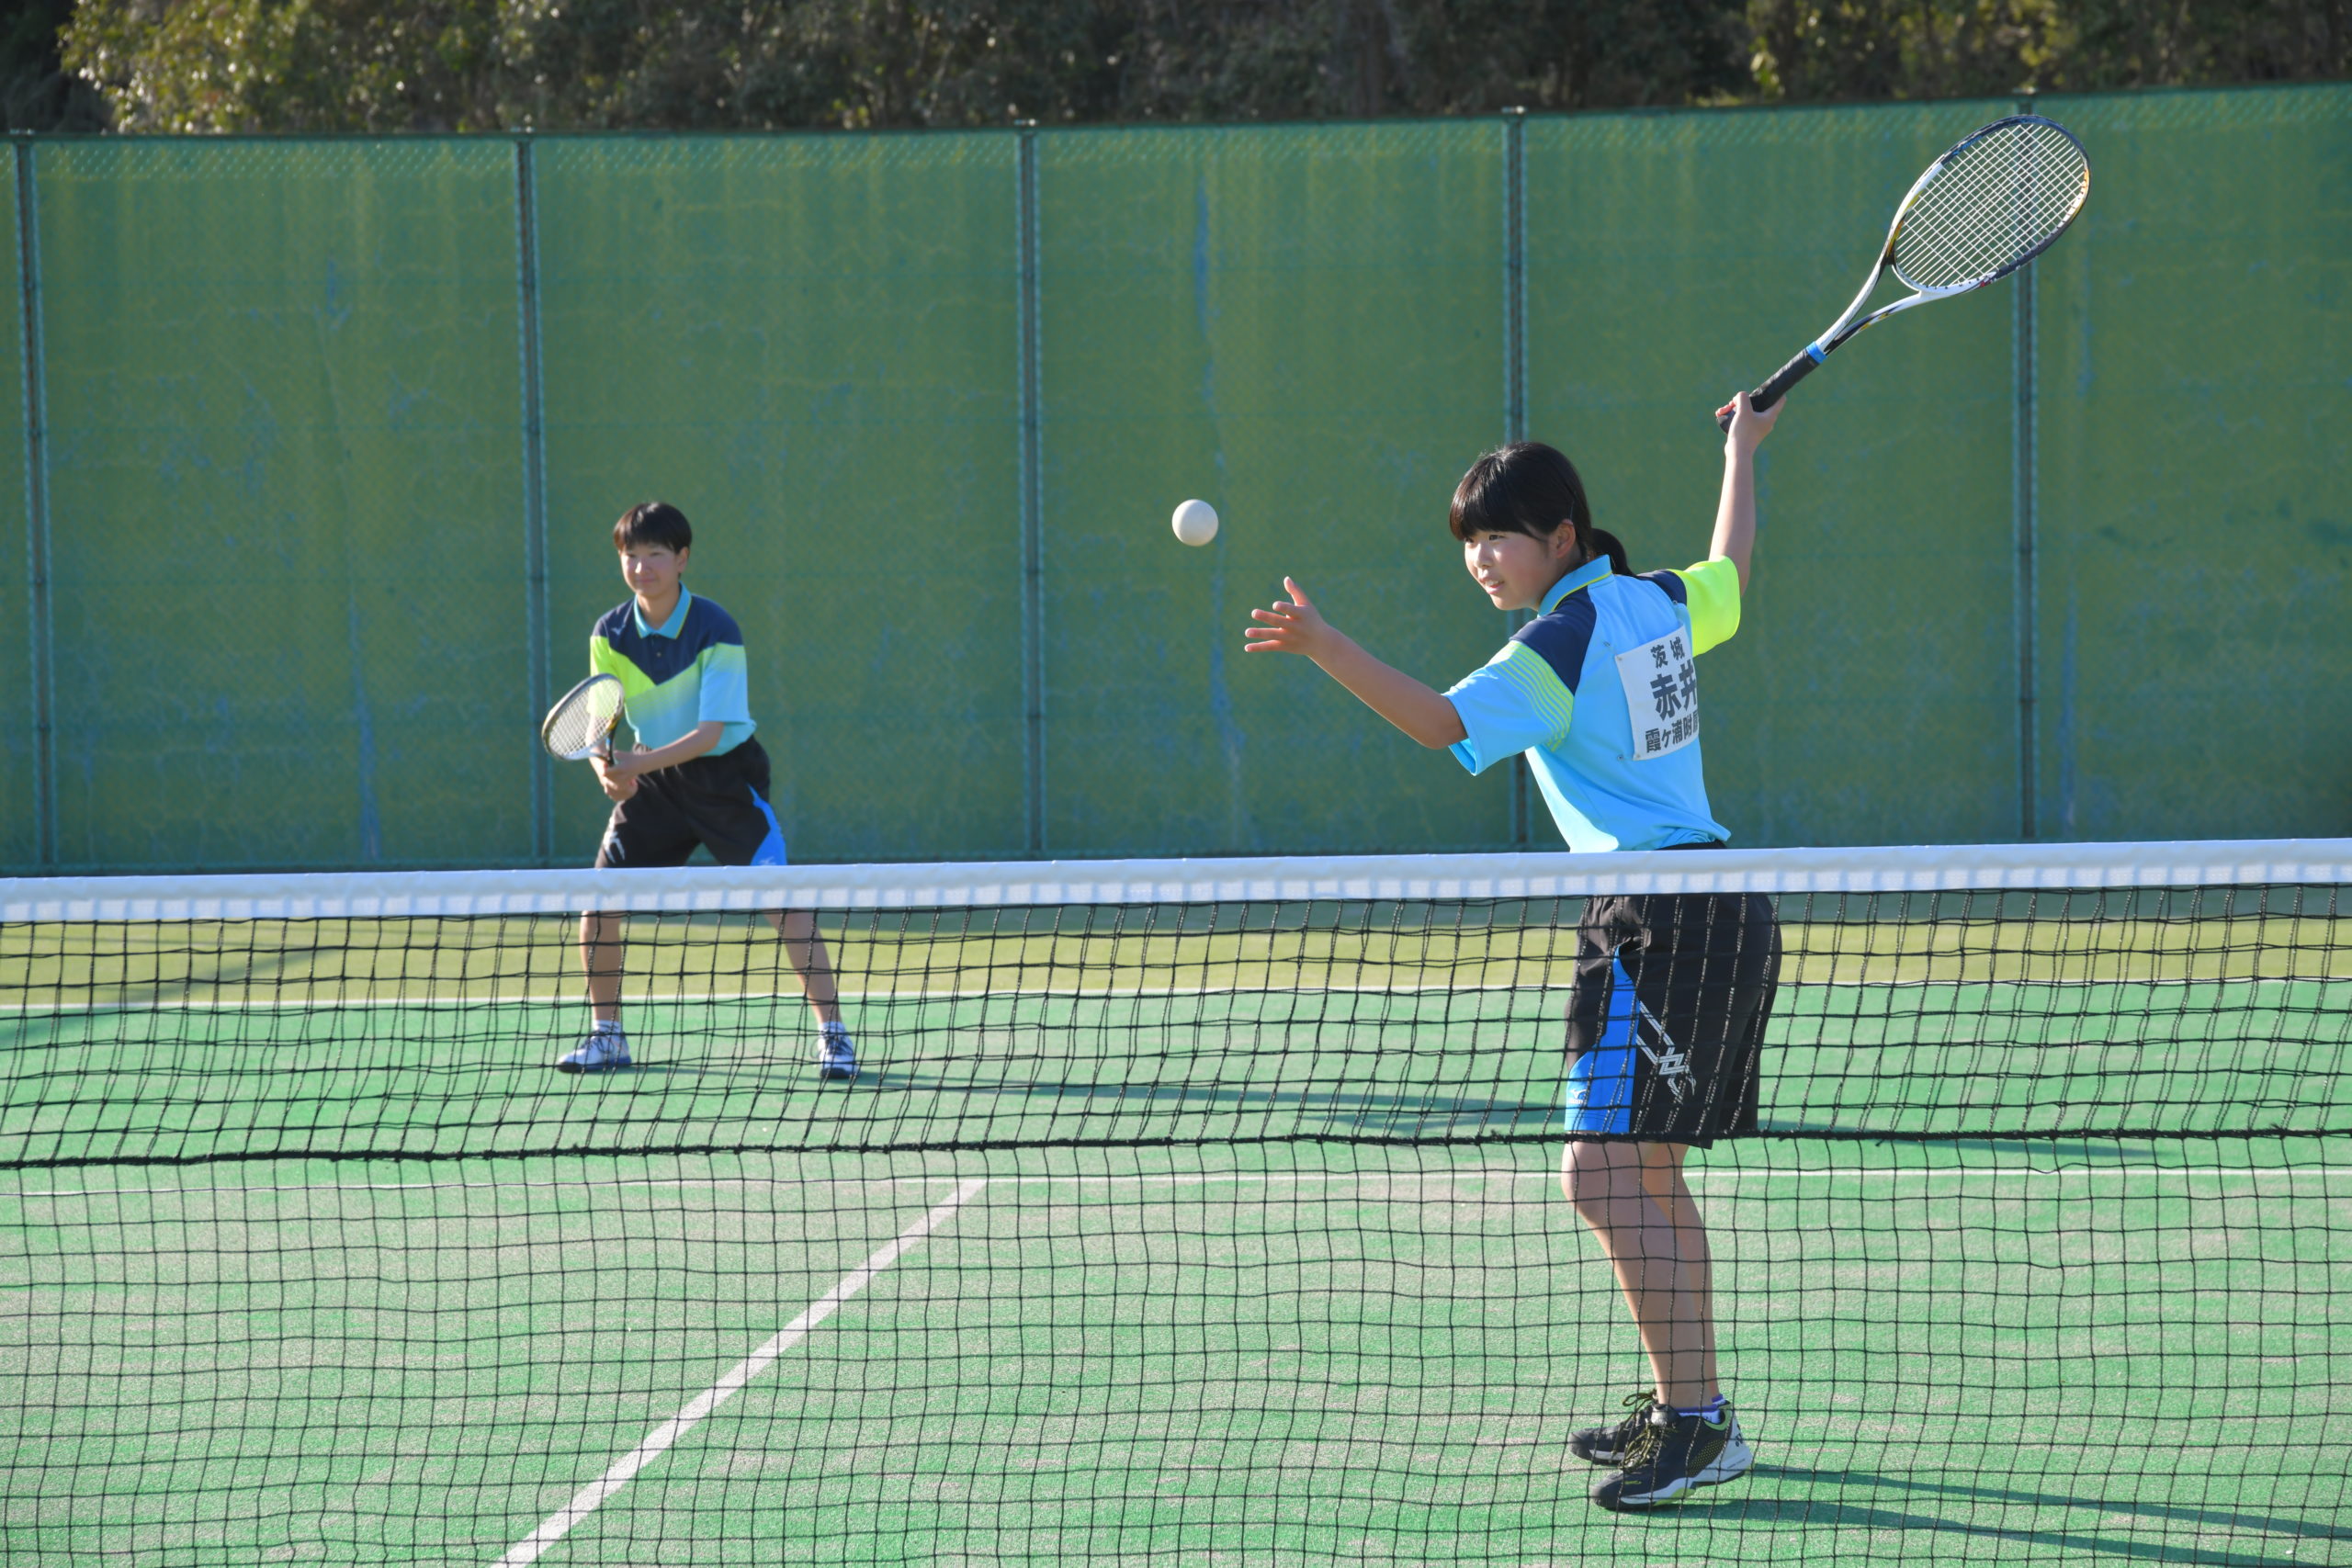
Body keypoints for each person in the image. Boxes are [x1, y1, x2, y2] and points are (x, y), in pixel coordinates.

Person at [1243, 394, 1783, 1511]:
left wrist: (1321, 643)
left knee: (1597, 1176)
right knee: (1648, 1177)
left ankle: (1695, 1424)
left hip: (1658, 919)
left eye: (1502, 535)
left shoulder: (1563, 638)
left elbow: (1443, 725)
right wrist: (1740, 453)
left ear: (1564, 539)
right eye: (1470, 541)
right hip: (1718, 908)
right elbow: (1727, 567)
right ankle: (1692, 1405)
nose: (1482, 559)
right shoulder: (1653, 602)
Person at [556, 501, 857, 1084]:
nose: (642, 568)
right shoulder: (609, 633)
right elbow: (601, 718)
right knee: (599, 904)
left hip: (725, 781)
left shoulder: (716, 628)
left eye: (655, 556)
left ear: (682, 559)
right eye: (631, 556)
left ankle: (834, 1036)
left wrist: (635, 763)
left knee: (783, 901)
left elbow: (710, 733)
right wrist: (605, 768)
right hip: (652, 786)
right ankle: (607, 1036)